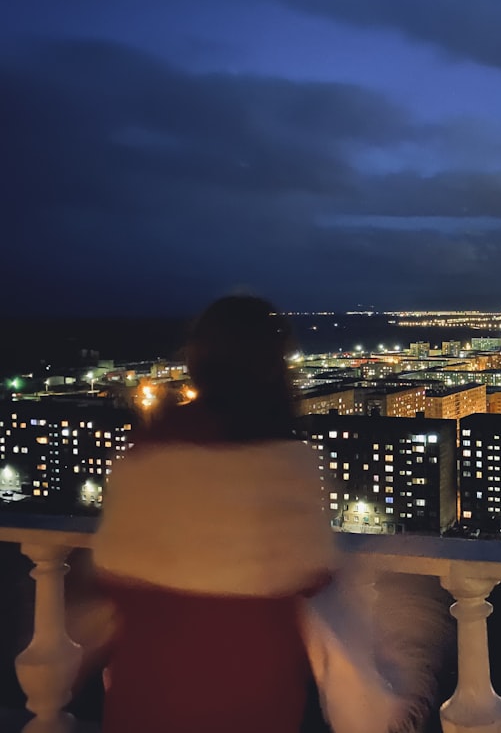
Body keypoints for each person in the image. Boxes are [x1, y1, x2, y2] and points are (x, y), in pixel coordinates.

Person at [92, 295, 335, 733]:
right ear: (274, 366)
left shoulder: (147, 454)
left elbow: (110, 567)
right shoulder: (287, 464)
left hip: (148, 690)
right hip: (251, 693)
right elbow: (316, 571)